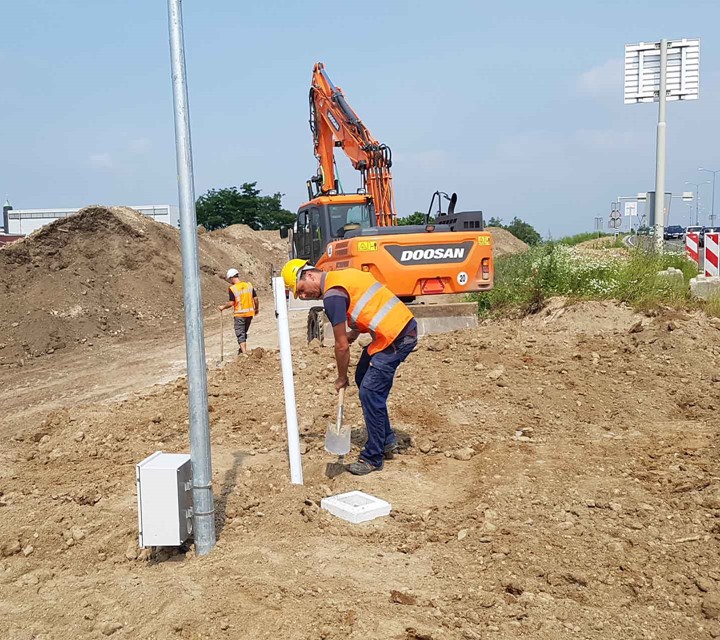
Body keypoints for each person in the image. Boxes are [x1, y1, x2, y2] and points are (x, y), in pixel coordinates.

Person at [281, 259, 416, 475]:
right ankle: (387, 439)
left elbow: (341, 346)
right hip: (391, 334)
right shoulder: (342, 276)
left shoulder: (333, 295)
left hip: (397, 338)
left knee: (370, 391)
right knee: (363, 377)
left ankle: (373, 457)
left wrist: (341, 377)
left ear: (308, 275)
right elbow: (369, 303)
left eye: (302, 291)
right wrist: (356, 332)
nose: (305, 297)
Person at [218, 268, 258, 355]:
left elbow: (231, 303)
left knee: (240, 333)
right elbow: (255, 298)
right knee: (244, 332)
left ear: (231, 278)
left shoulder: (233, 288)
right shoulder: (249, 285)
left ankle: (244, 353)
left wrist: (223, 307)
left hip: (240, 315)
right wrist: (256, 309)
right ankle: (242, 350)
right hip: (249, 314)